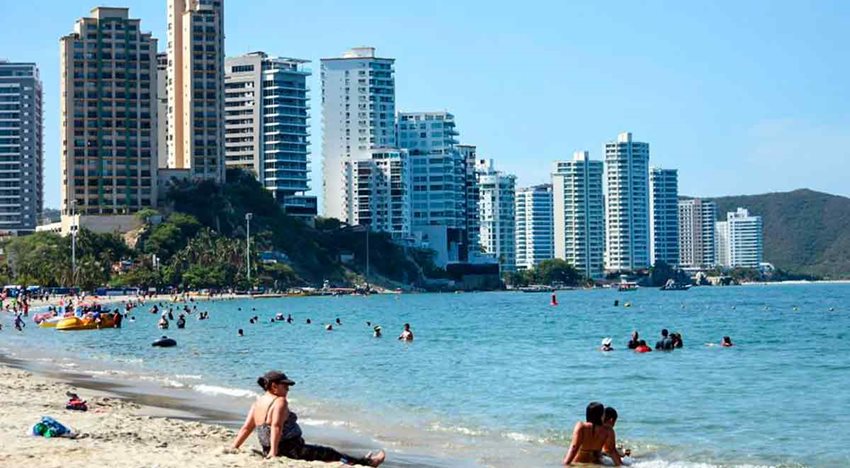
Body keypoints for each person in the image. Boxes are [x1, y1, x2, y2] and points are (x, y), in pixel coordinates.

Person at [232, 371, 386, 466]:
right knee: (329, 453)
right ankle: (367, 463)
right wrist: (274, 452)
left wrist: (235, 446)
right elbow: (276, 427)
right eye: (285, 385)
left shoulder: (257, 402)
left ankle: (355, 462)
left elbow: (247, 427)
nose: (288, 388)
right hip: (290, 449)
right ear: (274, 386)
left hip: (269, 449)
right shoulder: (279, 401)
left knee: (323, 454)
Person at [563, 402, 621, 466]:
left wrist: (566, 463)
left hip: (579, 462)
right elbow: (611, 450)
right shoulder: (608, 431)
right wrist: (620, 465)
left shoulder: (581, 426)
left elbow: (574, 447)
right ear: (600, 415)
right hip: (596, 463)